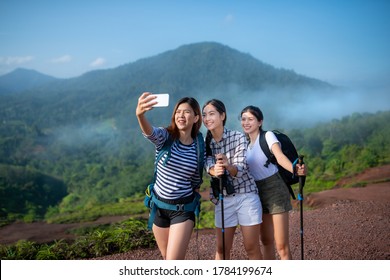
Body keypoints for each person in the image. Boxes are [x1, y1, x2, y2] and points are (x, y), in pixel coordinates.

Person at [136, 92, 205, 260]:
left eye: (187, 111)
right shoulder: (165, 137)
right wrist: (140, 115)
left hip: (182, 209)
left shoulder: (199, 145)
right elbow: (149, 132)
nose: (181, 115)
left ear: (196, 118)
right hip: (159, 207)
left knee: (173, 261)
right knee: (167, 257)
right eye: (178, 111)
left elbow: (202, 171)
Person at [240, 105, 306, 260]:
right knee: (266, 241)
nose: (246, 122)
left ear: (260, 121)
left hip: (275, 189)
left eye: (251, 119)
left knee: (282, 246)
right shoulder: (244, 144)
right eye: (243, 119)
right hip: (256, 193)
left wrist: (295, 169)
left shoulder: (268, 136)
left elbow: (280, 156)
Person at [202, 99, 263, 260]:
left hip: (246, 196)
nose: (207, 118)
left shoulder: (237, 137)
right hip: (223, 199)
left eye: (211, 114)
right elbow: (207, 166)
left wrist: (228, 166)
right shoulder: (205, 143)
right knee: (222, 250)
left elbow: (241, 169)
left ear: (222, 116)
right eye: (204, 115)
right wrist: (215, 170)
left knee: (251, 247)